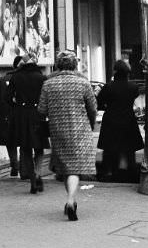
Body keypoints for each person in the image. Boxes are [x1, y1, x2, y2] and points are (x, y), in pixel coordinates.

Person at [38, 50, 98, 222]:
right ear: (75, 65)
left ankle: (71, 200)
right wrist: (90, 123)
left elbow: (41, 109)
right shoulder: (83, 83)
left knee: (65, 167)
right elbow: (93, 108)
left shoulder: (49, 84)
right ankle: (71, 200)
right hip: (80, 130)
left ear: (58, 64)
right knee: (75, 168)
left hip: (58, 130)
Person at [6, 53, 49, 194]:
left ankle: (31, 178)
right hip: (38, 114)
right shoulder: (42, 77)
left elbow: (8, 97)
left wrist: (16, 107)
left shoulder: (16, 77)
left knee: (25, 148)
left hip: (21, 115)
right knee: (39, 147)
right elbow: (46, 98)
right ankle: (37, 173)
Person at [96, 60, 144, 182]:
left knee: (110, 149)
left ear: (115, 71)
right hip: (128, 119)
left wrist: (107, 107)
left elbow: (99, 102)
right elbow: (134, 98)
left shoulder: (108, 87)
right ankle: (131, 174)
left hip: (111, 119)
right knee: (129, 150)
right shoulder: (133, 87)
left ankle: (109, 172)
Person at [0, 55, 23, 177]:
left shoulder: (2, 80)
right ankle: (19, 165)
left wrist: (1, 113)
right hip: (20, 116)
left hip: (7, 116)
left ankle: (14, 165)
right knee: (22, 141)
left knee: (11, 142)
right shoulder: (26, 80)